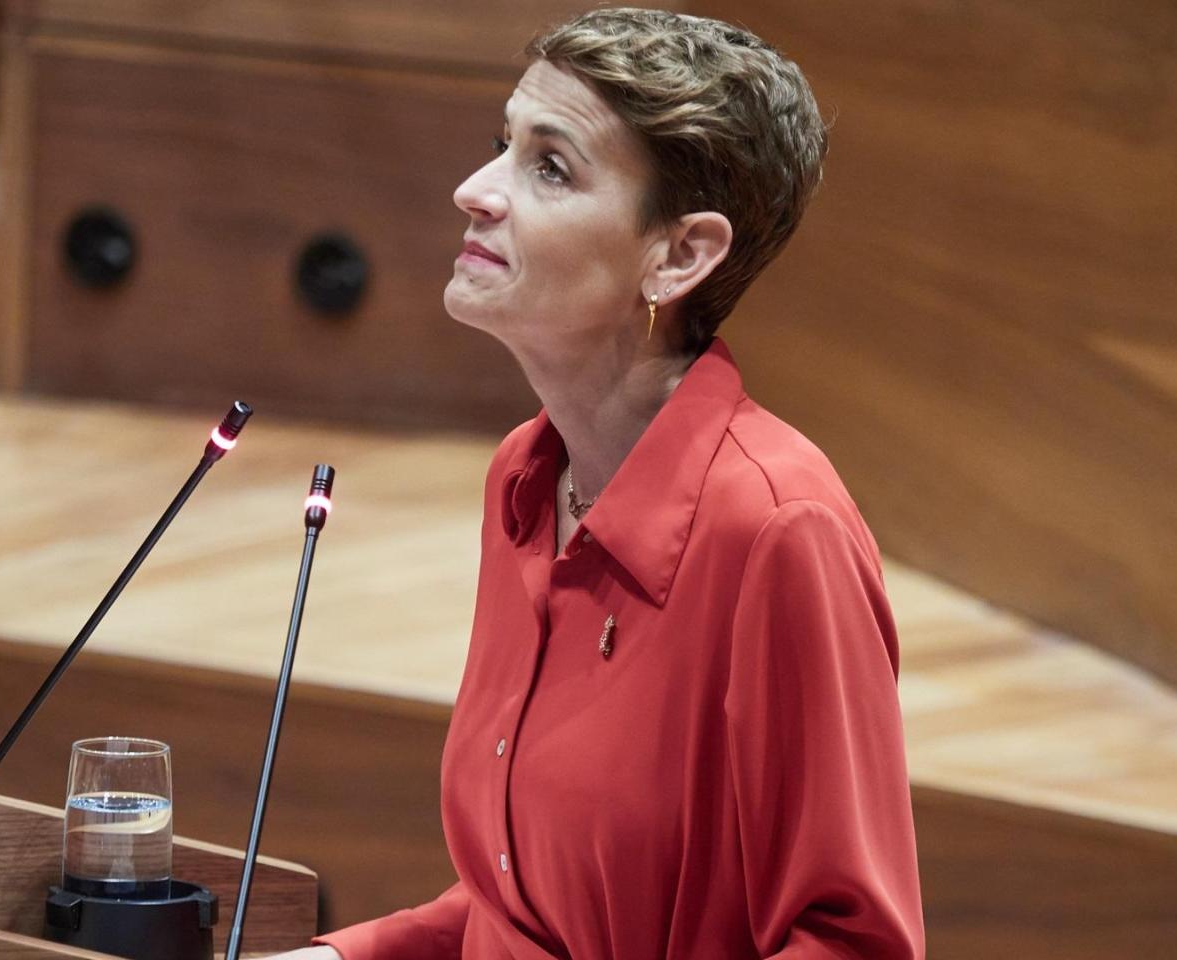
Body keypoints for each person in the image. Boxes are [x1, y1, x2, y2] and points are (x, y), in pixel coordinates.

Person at [267, 7, 924, 958]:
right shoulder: (527, 483)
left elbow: (852, 946)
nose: (474, 191)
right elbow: (526, 914)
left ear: (679, 256)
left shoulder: (780, 531)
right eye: (503, 143)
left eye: (550, 167)